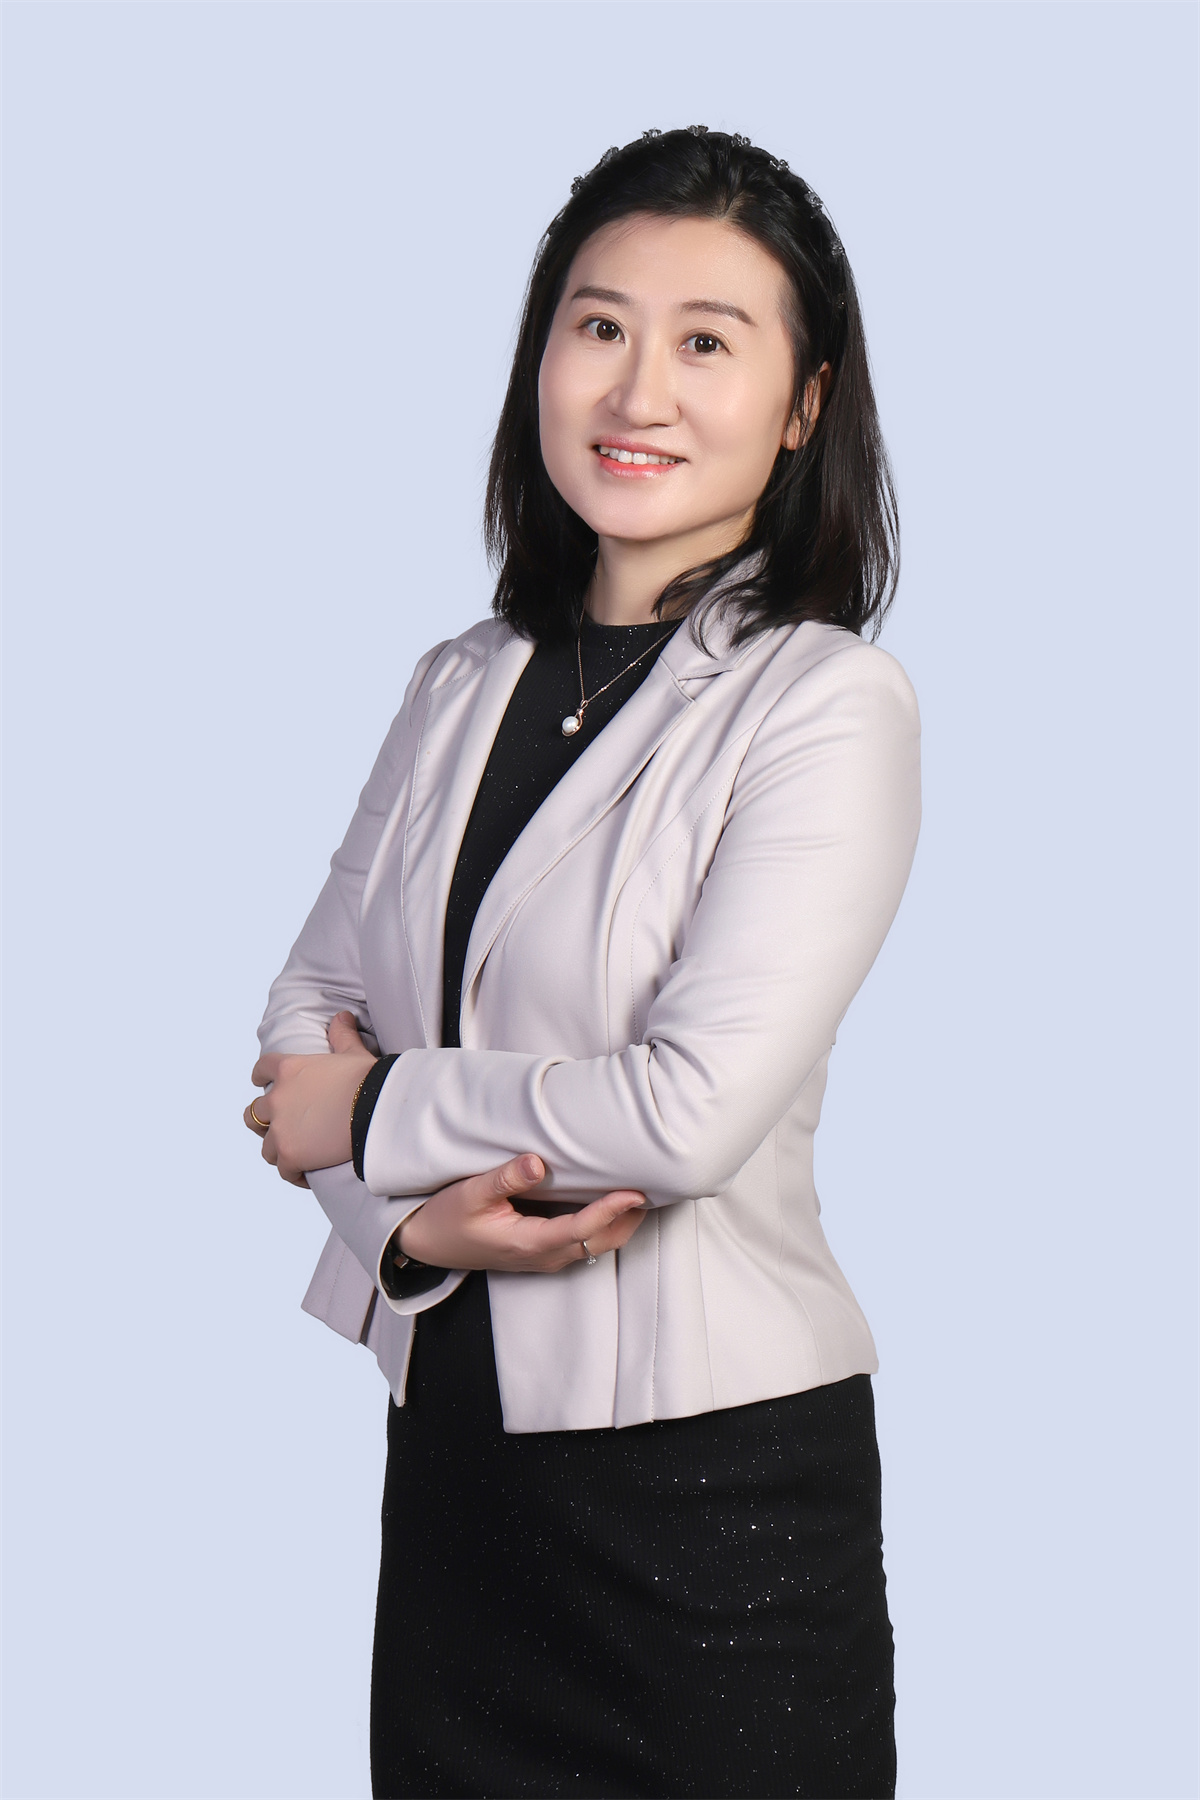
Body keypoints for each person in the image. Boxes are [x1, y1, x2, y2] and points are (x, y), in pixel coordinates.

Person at [246, 126, 920, 1800]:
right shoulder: (457, 682)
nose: (639, 391)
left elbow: (683, 1115)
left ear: (804, 404)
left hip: (715, 1520)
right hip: (458, 1495)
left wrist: (377, 1114)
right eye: (599, 326)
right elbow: (301, 1025)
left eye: (708, 342)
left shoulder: (826, 706)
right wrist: (407, 1227)